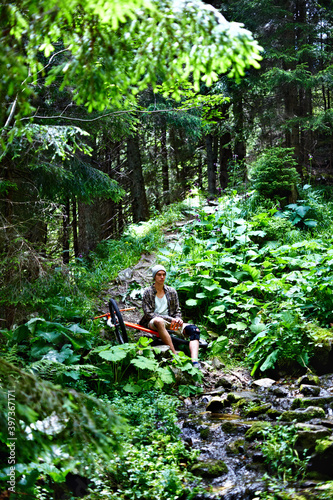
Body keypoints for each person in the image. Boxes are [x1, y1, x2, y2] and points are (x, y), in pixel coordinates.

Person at [139, 264, 201, 368]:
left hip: (171, 322)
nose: (162, 277)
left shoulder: (171, 291)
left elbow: (177, 310)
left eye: (164, 274)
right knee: (159, 321)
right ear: (154, 276)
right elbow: (148, 313)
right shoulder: (148, 292)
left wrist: (178, 319)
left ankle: (195, 362)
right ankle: (174, 354)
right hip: (153, 321)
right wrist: (170, 319)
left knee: (194, 330)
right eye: (159, 275)